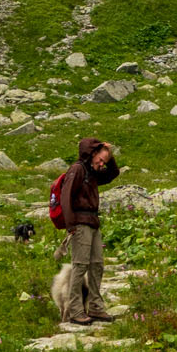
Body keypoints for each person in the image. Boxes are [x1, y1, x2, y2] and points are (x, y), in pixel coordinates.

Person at [58, 136, 119, 324]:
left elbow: (113, 174)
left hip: (93, 223)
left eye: (104, 161)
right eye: (100, 160)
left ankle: (95, 307)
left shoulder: (92, 172)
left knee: (97, 264)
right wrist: (70, 226)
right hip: (80, 223)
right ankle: (75, 310)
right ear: (92, 154)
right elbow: (66, 197)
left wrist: (110, 155)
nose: (102, 164)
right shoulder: (77, 170)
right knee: (80, 266)